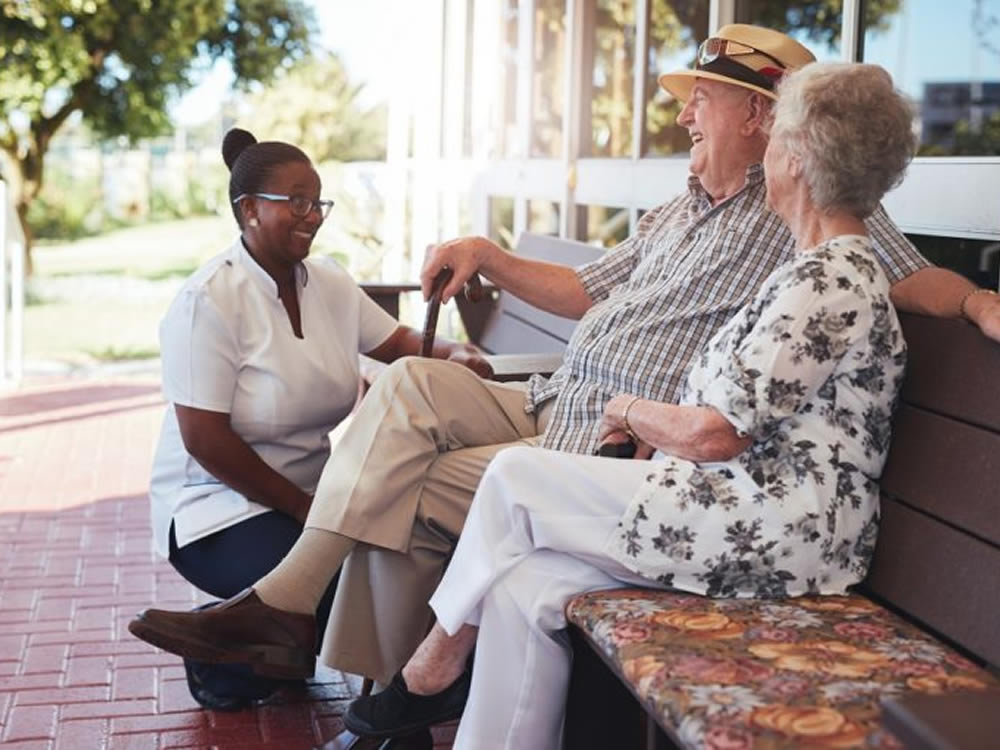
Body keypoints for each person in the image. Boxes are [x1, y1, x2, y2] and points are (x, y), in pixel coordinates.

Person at [128, 24, 1000, 702]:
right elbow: (590, 288)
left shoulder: (803, 205)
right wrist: (488, 253)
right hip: (555, 396)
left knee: (396, 488)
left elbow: (902, 268)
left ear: (765, 119)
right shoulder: (681, 205)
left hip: (612, 444)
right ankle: (317, 633)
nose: (684, 114)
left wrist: (974, 301)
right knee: (405, 387)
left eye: (701, 98)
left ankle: (378, 681)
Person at [344, 60, 917, 749]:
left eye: (778, 140)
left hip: (781, 532)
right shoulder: (810, 269)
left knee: (514, 482)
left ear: (798, 158)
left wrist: (625, 412)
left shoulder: (830, 281)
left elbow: (713, 435)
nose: (768, 154)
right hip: (738, 504)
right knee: (525, 583)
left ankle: (433, 666)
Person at [138, 127, 490, 709]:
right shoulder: (208, 301)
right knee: (353, 598)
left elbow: (401, 342)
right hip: (216, 510)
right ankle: (224, 661)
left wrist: (456, 352)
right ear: (248, 210)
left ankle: (250, 645)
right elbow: (204, 441)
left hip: (323, 504)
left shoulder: (327, 280)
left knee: (383, 583)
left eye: (318, 202)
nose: (312, 216)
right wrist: (308, 512)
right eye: (295, 202)